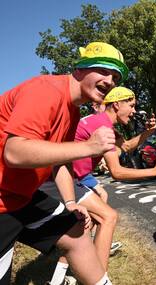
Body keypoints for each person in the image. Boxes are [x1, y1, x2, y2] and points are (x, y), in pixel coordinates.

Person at [0, 41, 127, 285]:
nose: (110, 81)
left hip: (22, 198)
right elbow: (14, 152)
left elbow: (60, 162)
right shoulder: (45, 89)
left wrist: (70, 202)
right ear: (79, 70)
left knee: (76, 231)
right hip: (2, 202)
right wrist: (89, 147)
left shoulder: (73, 110)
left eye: (115, 77)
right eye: (104, 70)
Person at [44, 86, 156, 285]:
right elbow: (117, 172)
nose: (134, 111)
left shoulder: (102, 123)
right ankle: (99, 279)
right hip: (60, 179)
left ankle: (60, 278)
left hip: (72, 177)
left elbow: (125, 146)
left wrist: (148, 132)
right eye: (131, 105)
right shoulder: (103, 127)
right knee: (108, 217)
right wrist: (154, 172)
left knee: (85, 227)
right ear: (116, 104)